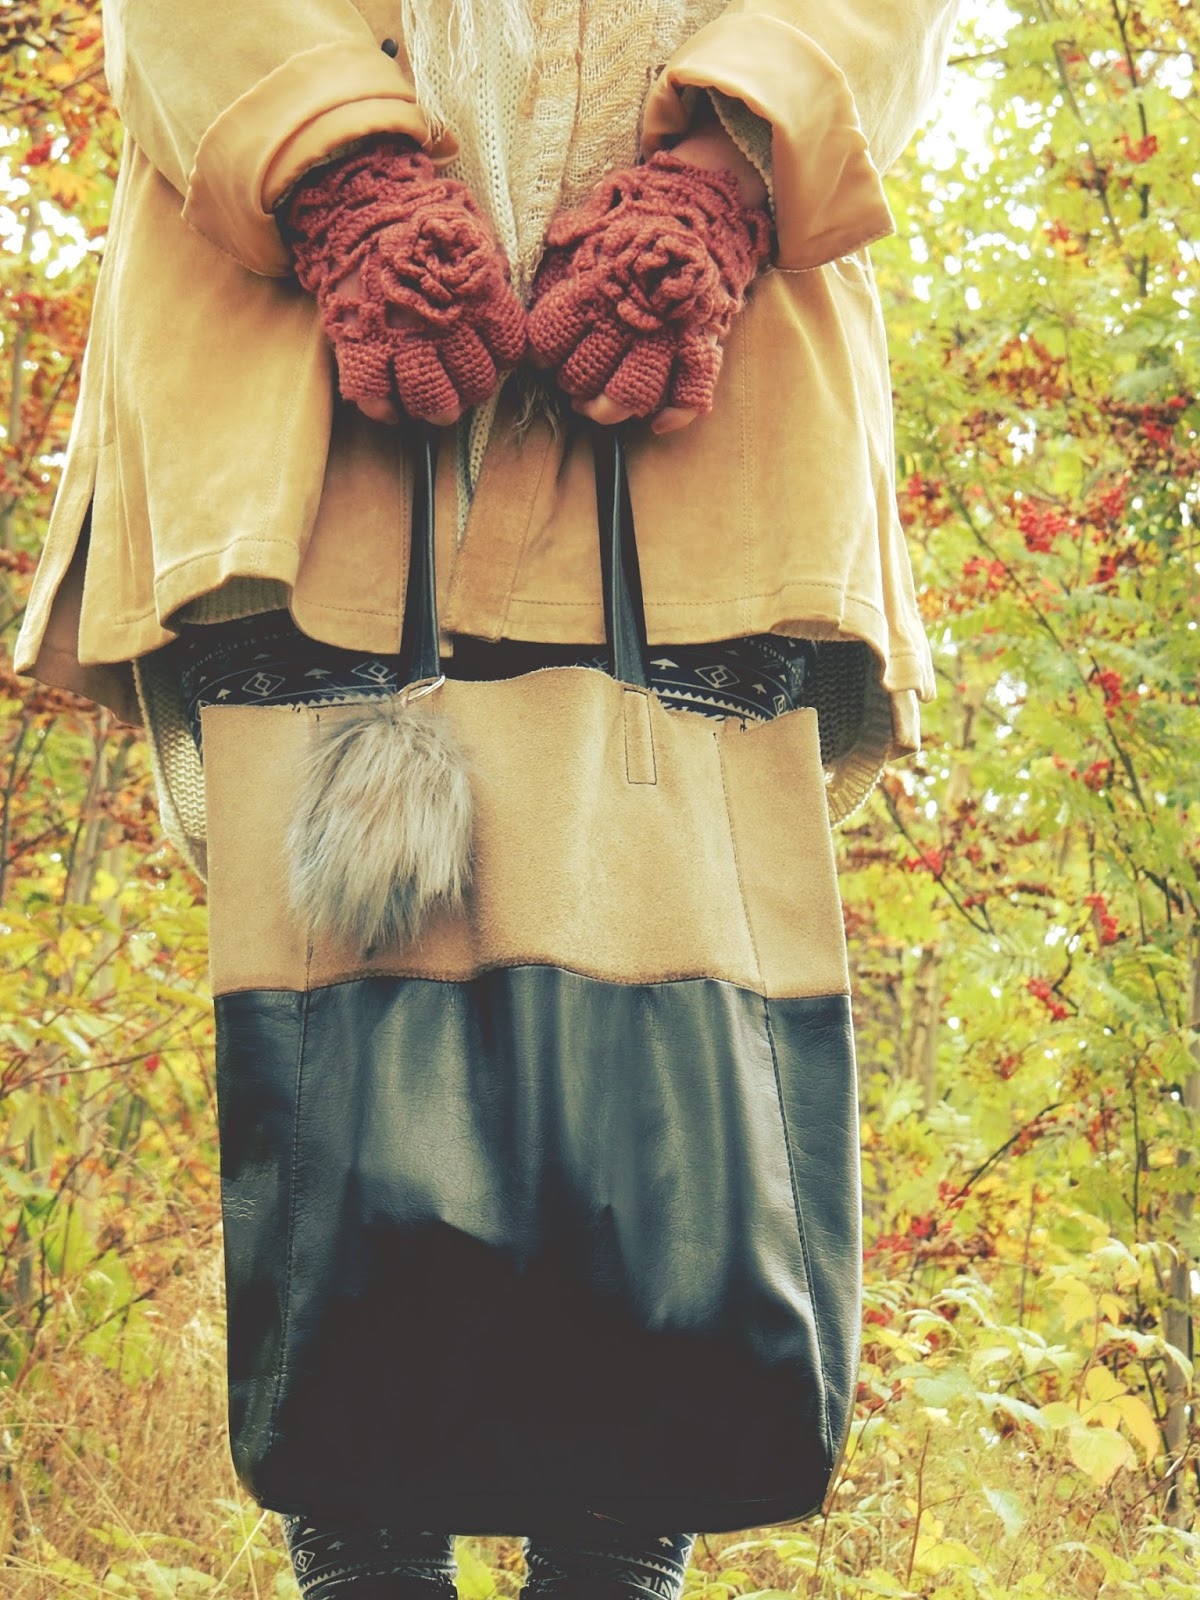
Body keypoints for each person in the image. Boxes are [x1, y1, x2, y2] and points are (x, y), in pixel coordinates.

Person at [16, 3, 961, 1596]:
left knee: (665, 982)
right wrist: (338, 171)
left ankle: (616, 1556)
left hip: (698, 382)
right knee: (346, 1037)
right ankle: (368, 1553)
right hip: (313, 371)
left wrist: (730, 170)